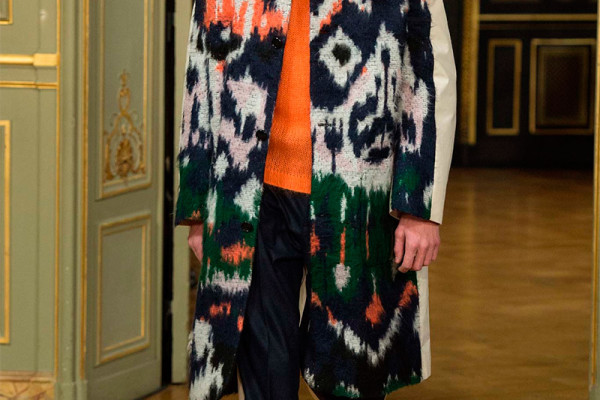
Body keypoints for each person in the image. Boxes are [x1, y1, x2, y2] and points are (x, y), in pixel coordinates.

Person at [176, 0, 457, 398]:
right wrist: (197, 207)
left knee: (352, 370)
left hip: (355, 199)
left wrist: (420, 209)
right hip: (246, 192)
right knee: (263, 369)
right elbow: (199, 70)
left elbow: (428, 74)